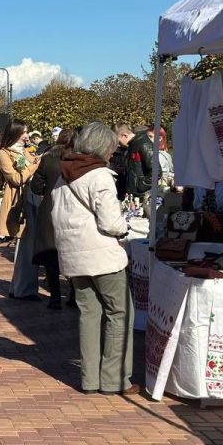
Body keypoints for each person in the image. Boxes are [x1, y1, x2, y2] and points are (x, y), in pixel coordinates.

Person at [52, 122, 136, 396]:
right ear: (104, 148)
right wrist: (124, 228)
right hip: (101, 255)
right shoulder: (99, 175)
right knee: (120, 313)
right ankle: (114, 379)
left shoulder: (62, 175)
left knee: (89, 314)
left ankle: (89, 378)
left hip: (73, 255)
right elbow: (111, 222)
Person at [32, 128, 77, 309]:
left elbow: (36, 186)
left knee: (51, 256)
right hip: (73, 210)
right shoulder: (80, 161)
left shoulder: (48, 158)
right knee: (72, 253)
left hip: (50, 208)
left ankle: (55, 297)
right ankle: (74, 294)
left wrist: (47, 191)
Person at [0, 121, 39, 249]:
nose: (27, 136)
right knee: (22, 243)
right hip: (19, 200)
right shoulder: (3, 153)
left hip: (33, 196)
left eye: (26, 132)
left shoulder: (24, 151)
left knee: (32, 242)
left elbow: (34, 162)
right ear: (15, 133)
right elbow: (15, 178)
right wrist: (34, 167)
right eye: (23, 133)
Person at [125, 125, 155, 198]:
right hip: (136, 193)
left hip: (142, 193)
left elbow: (156, 171)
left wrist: (141, 185)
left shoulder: (144, 144)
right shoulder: (133, 145)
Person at [109, 123, 134, 200]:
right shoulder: (117, 152)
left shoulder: (135, 148)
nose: (118, 145)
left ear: (124, 136)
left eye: (119, 142)